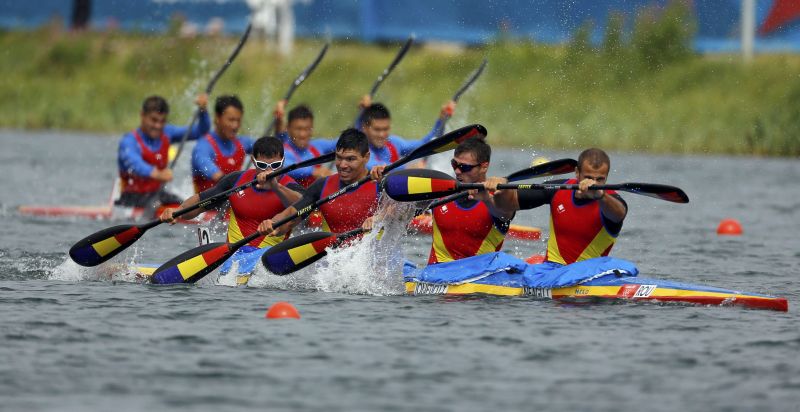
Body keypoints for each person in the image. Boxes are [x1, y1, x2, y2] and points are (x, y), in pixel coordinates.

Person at [161, 136, 304, 274]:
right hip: (232, 260)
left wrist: (276, 187)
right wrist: (177, 212)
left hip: (266, 266)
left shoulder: (291, 187)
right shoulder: (236, 181)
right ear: (253, 162)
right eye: (262, 165)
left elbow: (302, 205)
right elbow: (201, 203)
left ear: (283, 161)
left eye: (275, 166)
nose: (268, 171)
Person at [479, 148, 628, 265]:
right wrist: (501, 188)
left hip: (591, 274)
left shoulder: (612, 200)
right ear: (577, 173)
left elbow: (619, 214)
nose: (593, 183)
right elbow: (507, 204)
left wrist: (600, 196)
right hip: (553, 271)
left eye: (600, 179)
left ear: (606, 177)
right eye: (588, 177)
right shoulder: (558, 188)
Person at [257, 128, 379, 237]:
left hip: (373, 257)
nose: (342, 165)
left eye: (350, 159)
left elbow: (396, 213)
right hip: (333, 256)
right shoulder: (321, 186)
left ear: (366, 157)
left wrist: (379, 218)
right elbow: (291, 216)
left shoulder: (380, 182)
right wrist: (274, 224)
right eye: (339, 157)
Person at [117, 94, 209, 208]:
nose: (158, 126)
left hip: (157, 195)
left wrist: (203, 111)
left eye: (162, 121)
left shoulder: (167, 132)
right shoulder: (129, 141)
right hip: (130, 198)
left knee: (185, 206)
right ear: (142, 115)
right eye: (154, 120)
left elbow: (201, 131)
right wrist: (158, 174)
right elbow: (135, 164)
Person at [357, 96, 455, 170]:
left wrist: (442, 119)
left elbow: (426, 144)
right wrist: (407, 169)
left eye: (385, 129)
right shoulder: (358, 149)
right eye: (377, 130)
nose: (382, 135)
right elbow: (373, 167)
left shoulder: (394, 142)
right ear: (364, 128)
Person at [191, 95, 255, 193]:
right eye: (231, 120)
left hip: (232, 205)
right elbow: (217, 176)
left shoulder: (242, 143)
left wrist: (278, 121)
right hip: (206, 206)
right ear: (217, 118)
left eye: (238, 120)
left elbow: (273, 150)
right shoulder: (203, 147)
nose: (235, 126)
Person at [272, 101, 336, 187]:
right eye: (298, 129)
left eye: (307, 129)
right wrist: (312, 171)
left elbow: (348, 142)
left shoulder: (318, 145)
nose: (303, 135)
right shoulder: (283, 150)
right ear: (288, 128)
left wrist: (361, 118)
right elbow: (281, 166)